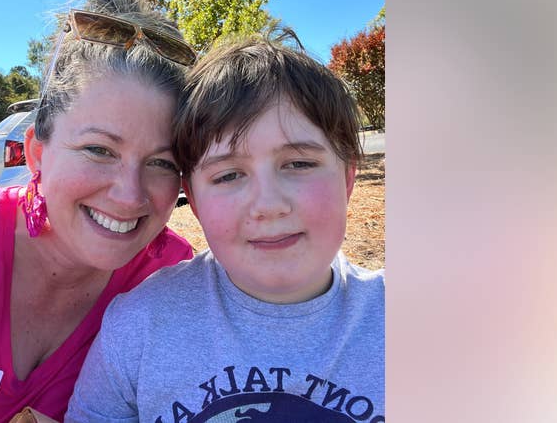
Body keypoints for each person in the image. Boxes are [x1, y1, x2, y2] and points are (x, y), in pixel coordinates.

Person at [65, 30, 385, 423]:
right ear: (194, 202)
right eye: (230, 175)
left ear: (348, 179)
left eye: (298, 163)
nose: (268, 205)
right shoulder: (139, 329)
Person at [0, 0, 198, 423]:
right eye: (99, 150)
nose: (129, 195)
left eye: (161, 162)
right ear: (37, 155)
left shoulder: (172, 284)